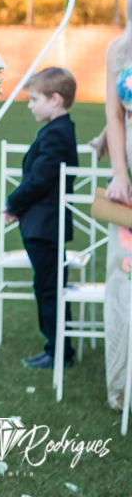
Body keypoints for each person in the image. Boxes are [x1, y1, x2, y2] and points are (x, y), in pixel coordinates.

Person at [4, 67, 79, 371]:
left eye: (35, 99)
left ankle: (58, 350)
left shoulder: (56, 134)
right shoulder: (58, 129)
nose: (30, 104)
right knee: (48, 286)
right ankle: (57, 347)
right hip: (44, 225)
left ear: (55, 99)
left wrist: (12, 203)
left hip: (45, 226)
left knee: (49, 288)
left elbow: (39, 180)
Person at [102, 26, 132, 411]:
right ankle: (123, 386)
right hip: (129, 179)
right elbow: (114, 114)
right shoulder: (119, 49)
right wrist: (120, 172)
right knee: (122, 276)